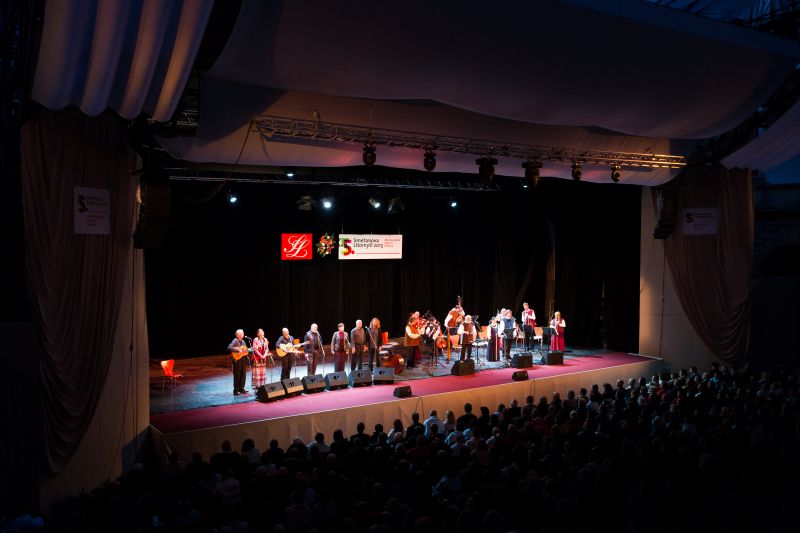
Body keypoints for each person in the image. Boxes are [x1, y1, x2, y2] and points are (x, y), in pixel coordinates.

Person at [227, 329, 249, 396]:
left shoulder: (243, 342)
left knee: (243, 374)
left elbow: (245, 350)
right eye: (242, 334)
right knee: (237, 375)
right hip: (237, 360)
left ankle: (241, 388)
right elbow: (229, 347)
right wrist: (237, 350)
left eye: (243, 334)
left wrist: (248, 351)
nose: (243, 335)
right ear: (238, 335)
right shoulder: (235, 340)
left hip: (243, 360)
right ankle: (235, 390)